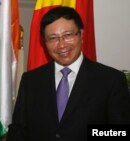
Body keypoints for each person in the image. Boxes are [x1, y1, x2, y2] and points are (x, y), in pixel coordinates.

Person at [7, 6, 130, 141]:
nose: (61, 45)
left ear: (81, 35)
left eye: (68, 35)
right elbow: (18, 130)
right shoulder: (31, 80)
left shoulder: (111, 80)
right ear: (44, 43)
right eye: (53, 38)